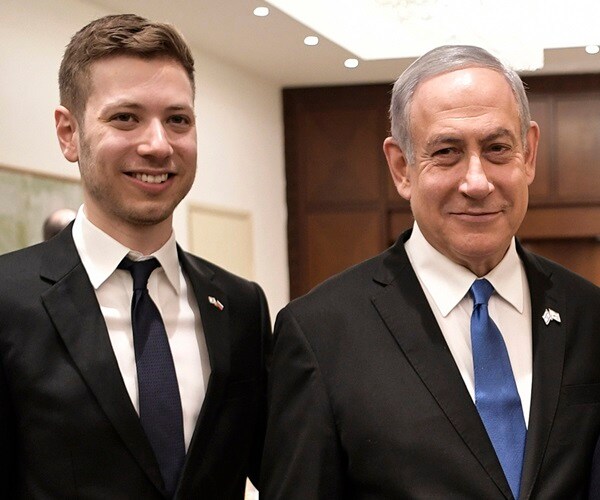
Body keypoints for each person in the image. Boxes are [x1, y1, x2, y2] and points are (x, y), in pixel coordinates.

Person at [261, 45, 600, 499]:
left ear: (529, 154)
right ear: (402, 167)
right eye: (446, 152)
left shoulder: (589, 314)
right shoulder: (320, 333)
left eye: (497, 149)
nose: (477, 182)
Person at [0, 14, 270, 499]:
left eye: (178, 120)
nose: (158, 145)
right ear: (68, 133)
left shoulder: (241, 307)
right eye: (126, 117)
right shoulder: (7, 300)